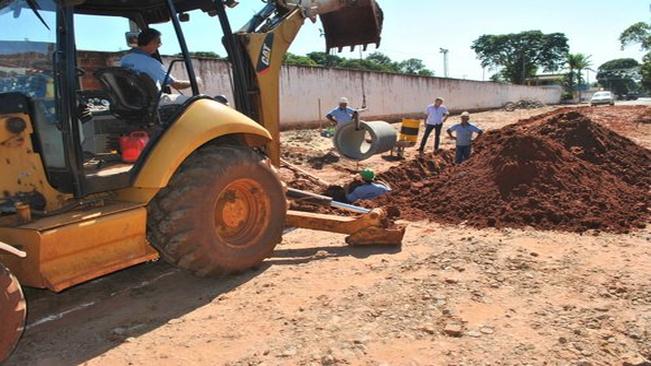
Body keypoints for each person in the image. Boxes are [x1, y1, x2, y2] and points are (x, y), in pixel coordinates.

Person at [120, 28, 193, 102]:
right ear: (151, 42)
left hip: (133, 101)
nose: (159, 45)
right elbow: (177, 85)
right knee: (193, 101)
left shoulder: (125, 59)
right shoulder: (150, 62)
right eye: (158, 42)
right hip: (152, 102)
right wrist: (194, 81)